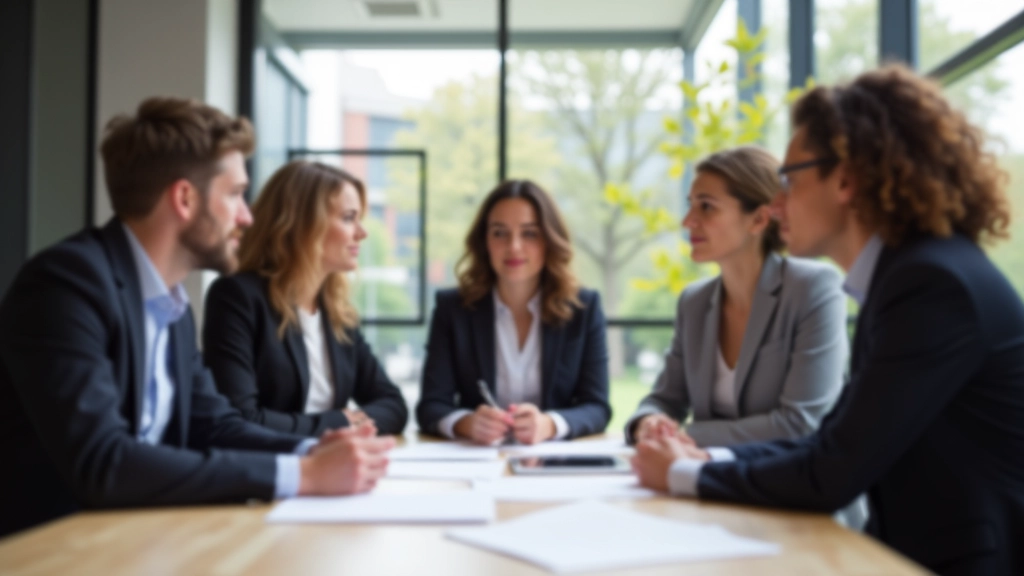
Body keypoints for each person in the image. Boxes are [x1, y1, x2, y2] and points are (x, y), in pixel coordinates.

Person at [632, 65, 1024, 575]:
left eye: (789, 181)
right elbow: (832, 443)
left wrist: (686, 473)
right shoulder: (908, 275)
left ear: (844, 180)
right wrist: (699, 460)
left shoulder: (930, 284)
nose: (776, 204)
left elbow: (835, 467)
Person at [0, 98, 393, 537]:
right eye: (235, 194)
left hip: (140, 535)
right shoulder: (66, 285)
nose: (247, 216)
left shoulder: (171, 304)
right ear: (185, 198)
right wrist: (303, 475)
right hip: (51, 547)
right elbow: (103, 460)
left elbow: (215, 425)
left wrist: (313, 449)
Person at [625, 146, 847, 448]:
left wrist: (683, 436)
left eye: (706, 206)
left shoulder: (813, 288)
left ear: (759, 220)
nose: (688, 220)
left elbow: (800, 423)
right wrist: (648, 422)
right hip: (706, 473)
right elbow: (665, 399)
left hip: (789, 476)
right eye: (691, 205)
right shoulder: (694, 302)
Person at [203, 160, 408, 436]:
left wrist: (347, 424)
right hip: (269, 462)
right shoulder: (236, 297)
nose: (362, 233)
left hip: (331, 460)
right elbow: (240, 418)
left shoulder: (337, 311)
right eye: (349, 218)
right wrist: (338, 423)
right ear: (304, 224)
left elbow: (394, 406)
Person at [416, 180, 611, 444]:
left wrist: (549, 424)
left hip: (553, 460)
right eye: (499, 233)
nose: (514, 246)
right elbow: (431, 406)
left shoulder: (583, 308)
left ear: (549, 240)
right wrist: (467, 423)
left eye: (529, 233)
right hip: (478, 458)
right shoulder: (453, 308)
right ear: (484, 240)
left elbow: (597, 407)